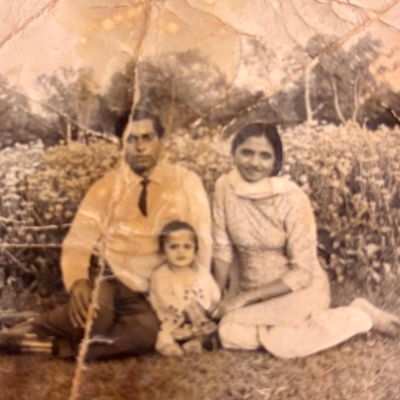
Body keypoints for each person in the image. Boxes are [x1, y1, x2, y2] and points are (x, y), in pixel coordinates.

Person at [1, 109, 212, 360]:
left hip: (154, 290)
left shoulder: (186, 182)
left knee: (146, 334)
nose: (141, 147)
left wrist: (196, 290)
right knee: (95, 318)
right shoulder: (105, 187)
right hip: (109, 276)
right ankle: (32, 327)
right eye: (131, 139)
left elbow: (202, 237)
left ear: (160, 142)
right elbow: (79, 239)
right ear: (120, 145)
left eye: (148, 137)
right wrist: (79, 281)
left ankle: (53, 343)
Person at [210, 122, 400, 358]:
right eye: (247, 152)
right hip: (252, 286)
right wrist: (215, 300)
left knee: (283, 345)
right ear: (234, 152)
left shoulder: (290, 197)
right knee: (227, 332)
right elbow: (222, 249)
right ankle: (295, 328)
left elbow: (302, 272)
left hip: (298, 289)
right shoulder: (223, 188)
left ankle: (358, 315)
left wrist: (242, 299)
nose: (254, 162)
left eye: (265, 156)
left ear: (275, 161)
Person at [149, 220, 220, 356]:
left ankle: (196, 343)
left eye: (187, 246)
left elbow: (213, 292)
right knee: (162, 334)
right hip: (174, 322)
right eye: (173, 247)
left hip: (200, 321)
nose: (181, 251)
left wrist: (205, 309)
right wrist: (186, 309)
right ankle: (169, 345)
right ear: (163, 251)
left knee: (212, 331)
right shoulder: (161, 275)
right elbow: (163, 299)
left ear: (195, 250)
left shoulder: (200, 272)